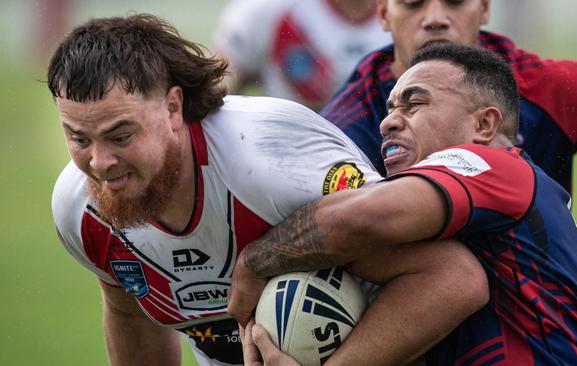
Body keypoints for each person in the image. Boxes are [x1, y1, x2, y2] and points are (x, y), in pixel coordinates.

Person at [49, 14, 486, 366]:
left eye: (121, 136)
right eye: (79, 139)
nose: (100, 164)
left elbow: (452, 278)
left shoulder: (270, 162)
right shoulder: (79, 209)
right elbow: (130, 312)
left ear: (172, 108)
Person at [229, 43, 577, 365]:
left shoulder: (496, 166)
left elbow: (361, 219)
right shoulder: (464, 223)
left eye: (414, 105)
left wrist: (254, 260)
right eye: (390, 109)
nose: (388, 123)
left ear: (484, 126)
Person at [322, 0, 577, 189]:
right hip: (419, 300)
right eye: (413, 2)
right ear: (382, 13)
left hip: (540, 308)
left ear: (484, 7)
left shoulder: (549, 88)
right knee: (457, 274)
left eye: (455, 0)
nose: (435, 18)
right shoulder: (344, 130)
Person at [212, 0, 391, 110]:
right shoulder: (266, 9)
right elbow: (217, 90)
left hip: (382, 158)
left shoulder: (411, 12)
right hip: (282, 156)